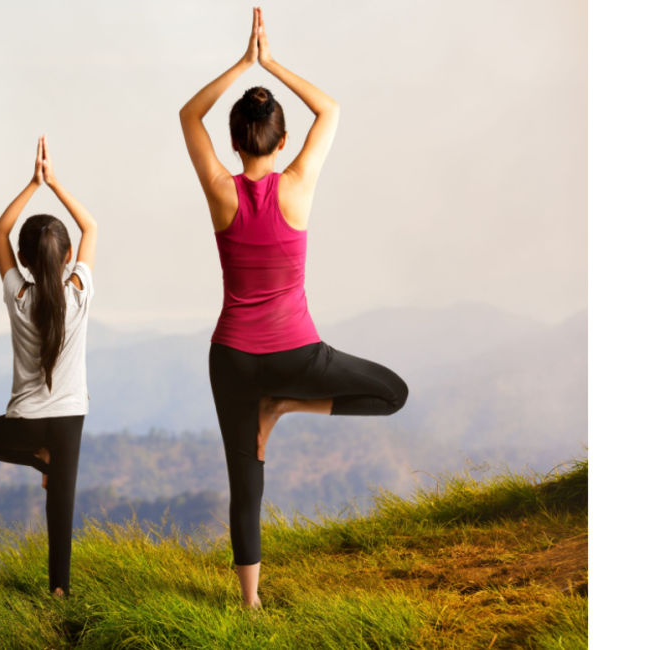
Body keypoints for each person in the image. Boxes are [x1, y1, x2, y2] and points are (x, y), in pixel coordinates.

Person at [178, 7, 408, 608]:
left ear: (233, 141)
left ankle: (250, 603)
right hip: (300, 357)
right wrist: (271, 61)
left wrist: (242, 65)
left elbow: (187, 114)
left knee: (244, 481)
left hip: (230, 358)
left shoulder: (220, 190)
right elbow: (330, 109)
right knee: (392, 393)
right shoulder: (299, 183)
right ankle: (286, 404)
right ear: (283, 141)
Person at [0, 135, 97, 597]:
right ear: (67, 257)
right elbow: (91, 228)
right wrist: (55, 183)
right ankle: (60, 591)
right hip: (70, 419)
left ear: (23, 260)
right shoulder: (79, 292)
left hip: (27, 422)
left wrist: (33, 184)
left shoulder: (18, 296)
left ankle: (37, 457)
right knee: (62, 506)